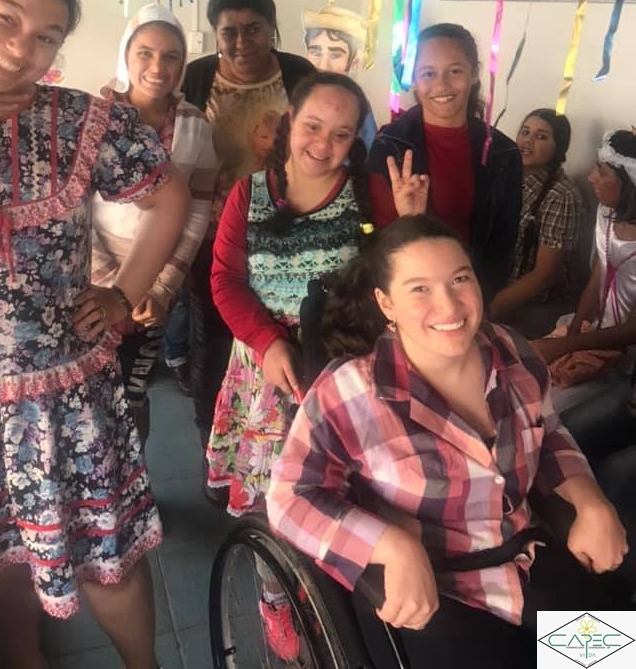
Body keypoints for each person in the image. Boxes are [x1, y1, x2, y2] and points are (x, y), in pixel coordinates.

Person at [0, 0, 190, 669]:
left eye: (47, 36)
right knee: (0, 552)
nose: (21, 47)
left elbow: (169, 196)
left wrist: (124, 292)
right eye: (6, 18)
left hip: (62, 396)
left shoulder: (80, 122)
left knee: (107, 555)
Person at [267, 215, 627, 669]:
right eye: (419, 288)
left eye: (460, 279)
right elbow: (289, 497)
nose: (449, 305)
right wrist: (391, 545)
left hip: (525, 557)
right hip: (433, 587)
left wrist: (591, 501)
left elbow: (548, 430)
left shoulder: (513, 353)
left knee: (610, 658)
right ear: (386, 303)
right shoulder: (350, 393)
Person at [206, 71, 397, 661]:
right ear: (290, 122)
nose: (323, 144)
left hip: (344, 371)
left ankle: (334, 598)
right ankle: (277, 598)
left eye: (341, 134)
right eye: (313, 126)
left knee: (345, 492)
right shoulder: (249, 194)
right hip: (271, 373)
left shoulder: (371, 194)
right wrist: (267, 342)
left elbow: (402, 274)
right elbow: (225, 280)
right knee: (277, 497)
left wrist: (411, 220)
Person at [181, 0, 313, 453]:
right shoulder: (198, 78)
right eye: (229, 32)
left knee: (283, 337)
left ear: (272, 28)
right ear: (216, 34)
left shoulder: (298, 74)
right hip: (214, 235)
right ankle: (212, 441)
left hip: (287, 236)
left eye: (253, 29)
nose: (241, 42)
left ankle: (283, 449)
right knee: (214, 340)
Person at [92, 3, 217, 436]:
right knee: (92, 397)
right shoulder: (93, 118)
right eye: (144, 53)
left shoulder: (196, 124)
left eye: (171, 56)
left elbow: (197, 209)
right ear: (125, 55)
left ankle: (137, 478)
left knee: (134, 393)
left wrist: (160, 288)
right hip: (92, 285)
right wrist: (114, 287)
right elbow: (74, 212)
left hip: (156, 292)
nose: (157, 67)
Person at [368, 22, 522, 303]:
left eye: (455, 71)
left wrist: (481, 301)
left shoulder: (503, 153)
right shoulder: (390, 147)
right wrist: (411, 219)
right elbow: (379, 243)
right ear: (414, 79)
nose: (442, 85)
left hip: (474, 293)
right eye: (428, 73)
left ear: (474, 73)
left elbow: (502, 244)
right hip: (409, 293)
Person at [532, 130, 636, 458]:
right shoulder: (607, 214)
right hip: (594, 331)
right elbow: (598, 276)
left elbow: (631, 331)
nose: (591, 177)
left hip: (625, 354)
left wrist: (566, 346)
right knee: (531, 387)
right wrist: (574, 330)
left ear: (629, 183)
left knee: (556, 423)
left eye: (602, 172)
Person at [490, 109, 583, 337]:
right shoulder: (508, 177)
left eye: (541, 136)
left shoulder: (561, 195)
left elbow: (544, 276)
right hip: (497, 288)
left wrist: (488, 311)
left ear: (559, 147)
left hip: (537, 305)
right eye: (525, 132)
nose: (527, 142)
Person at [302, 4, 378, 148]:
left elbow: (370, 152)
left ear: (354, 60)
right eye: (315, 52)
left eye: (335, 55)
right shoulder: (298, 95)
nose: (323, 65)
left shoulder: (357, 105)